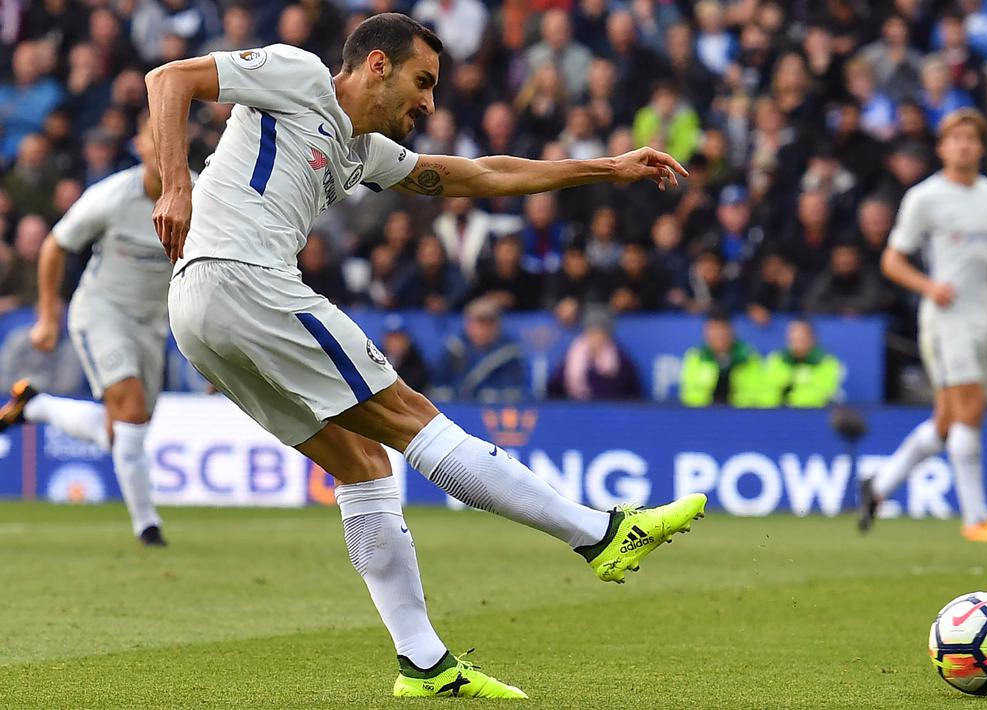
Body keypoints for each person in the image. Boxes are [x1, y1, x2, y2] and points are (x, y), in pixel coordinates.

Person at [144, 15, 704, 699]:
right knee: (413, 418)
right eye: (423, 81)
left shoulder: (361, 150)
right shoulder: (297, 74)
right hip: (241, 277)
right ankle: (599, 533)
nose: (430, 103)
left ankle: (424, 662)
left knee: (363, 464)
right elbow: (169, 78)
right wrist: (174, 184)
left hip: (201, 311)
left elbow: (478, 174)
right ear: (377, 65)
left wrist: (603, 168)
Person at [0, 115, 178, 547]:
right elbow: (55, 245)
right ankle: (147, 526)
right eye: (154, 139)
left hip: (153, 323)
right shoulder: (111, 197)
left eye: (171, 138)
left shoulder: (199, 195)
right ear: (139, 147)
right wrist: (46, 316)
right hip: (102, 312)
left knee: (125, 431)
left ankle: (37, 407)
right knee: (131, 411)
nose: (163, 147)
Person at [859, 109, 987, 542]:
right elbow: (892, 259)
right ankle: (976, 518)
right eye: (955, 138)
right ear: (942, 147)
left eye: (971, 138)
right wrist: (929, 286)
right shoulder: (925, 197)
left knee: (945, 423)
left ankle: (879, 486)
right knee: (971, 408)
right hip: (946, 320)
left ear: (981, 146)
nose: (963, 145)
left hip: (982, 315)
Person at [432, 298, 528, 403]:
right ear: (468, 324)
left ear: (497, 325)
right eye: (479, 322)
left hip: (491, 412)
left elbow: (513, 388)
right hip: (456, 410)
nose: (483, 329)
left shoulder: (509, 353)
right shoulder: (454, 349)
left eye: (489, 323)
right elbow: (439, 384)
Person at [546, 308, 641, 401]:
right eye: (591, 332)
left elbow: (628, 390)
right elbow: (555, 386)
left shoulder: (619, 358)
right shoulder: (574, 353)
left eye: (599, 333)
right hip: (576, 408)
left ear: (607, 335)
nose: (595, 338)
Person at [679, 309, 762, 408]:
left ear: (732, 331)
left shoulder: (749, 356)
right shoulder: (695, 357)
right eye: (713, 329)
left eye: (722, 329)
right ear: (706, 332)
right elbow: (689, 395)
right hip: (705, 415)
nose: (719, 335)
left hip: (741, 415)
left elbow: (759, 393)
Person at [761, 319, 844, 408]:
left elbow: (821, 394)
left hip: (813, 415)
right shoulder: (777, 358)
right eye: (792, 334)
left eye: (801, 335)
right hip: (776, 414)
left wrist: (789, 393)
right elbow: (769, 390)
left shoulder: (828, 362)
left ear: (812, 338)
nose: (796, 338)